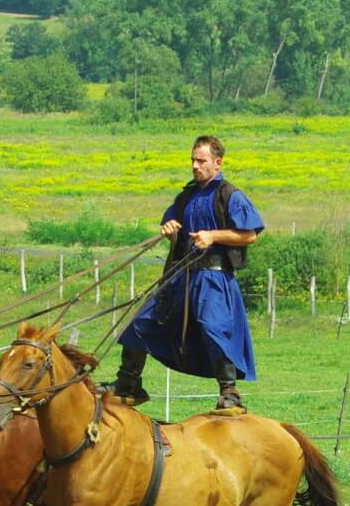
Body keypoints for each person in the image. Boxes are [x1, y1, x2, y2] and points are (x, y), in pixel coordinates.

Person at [110, 135, 264, 411]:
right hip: (180, 276)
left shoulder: (231, 194)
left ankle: (229, 393)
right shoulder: (186, 196)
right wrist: (170, 230)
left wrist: (213, 236)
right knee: (140, 321)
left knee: (212, 327)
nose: (194, 165)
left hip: (214, 277)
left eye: (201, 160)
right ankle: (128, 384)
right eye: (192, 160)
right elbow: (175, 231)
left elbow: (250, 235)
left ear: (218, 163)